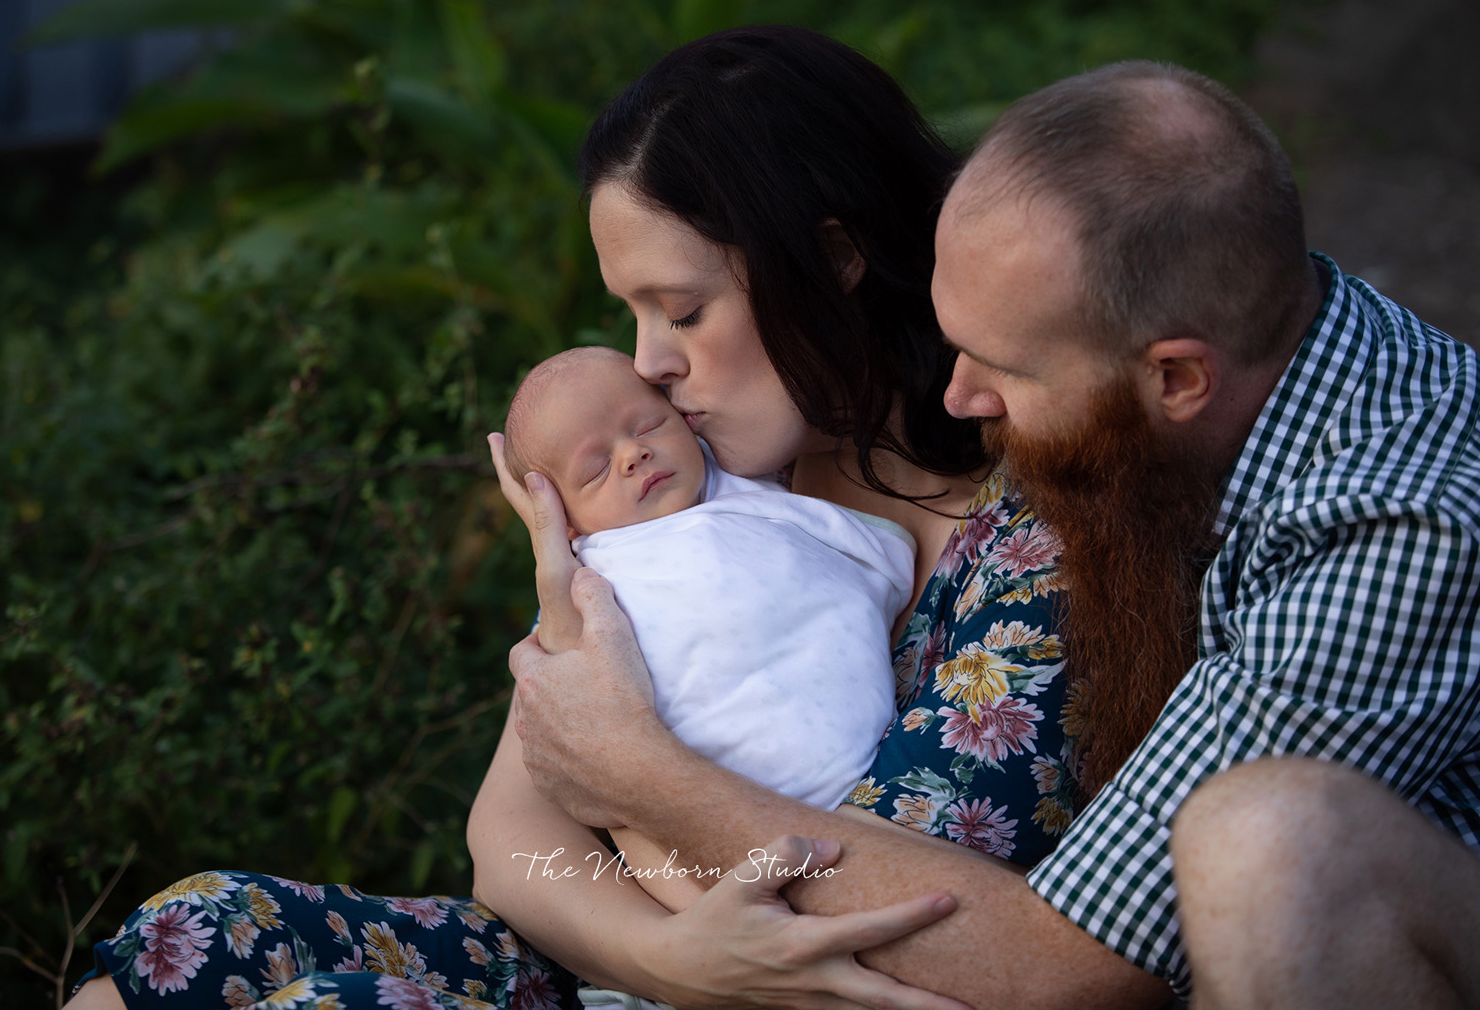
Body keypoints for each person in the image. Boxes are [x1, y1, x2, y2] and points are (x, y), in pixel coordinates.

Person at [67, 26, 1096, 1010]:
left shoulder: (1032, 544)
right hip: (635, 969)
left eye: (684, 310)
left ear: (832, 260)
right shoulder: (689, 488)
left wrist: (646, 795)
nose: (650, 362)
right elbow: (511, 832)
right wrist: (669, 959)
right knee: (210, 924)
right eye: (635, 313)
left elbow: (979, 935)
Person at [506, 58, 1480, 1009]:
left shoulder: (1395, 531)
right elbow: (519, 813)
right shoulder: (737, 455)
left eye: (1004, 368)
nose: (963, 396)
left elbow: (1087, 958)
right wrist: (667, 957)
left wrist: (643, 779)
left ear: (1177, 380)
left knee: (1268, 844)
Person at [499, 344, 915, 911]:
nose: (633, 455)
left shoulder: (749, 479)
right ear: (562, 517)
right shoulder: (589, 582)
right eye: (595, 469)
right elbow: (606, 780)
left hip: (864, 782)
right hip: (720, 804)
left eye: (649, 425)